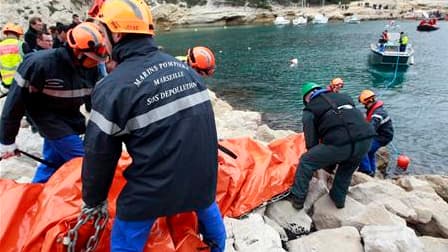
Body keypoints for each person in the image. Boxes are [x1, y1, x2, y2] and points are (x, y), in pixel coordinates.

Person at [80, 0, 226, 251]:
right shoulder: (187, 70)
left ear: (116, 33)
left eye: (103, 32)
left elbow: (99, 155)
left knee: (127, 228)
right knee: (207, 205)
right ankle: (217, 246)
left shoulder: (113, 88)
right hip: (204, 177)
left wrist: (94, 200)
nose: (102, 39)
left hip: (154, 189)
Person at [0, 22, 105, 183]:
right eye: (92, 59)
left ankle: (35, 196)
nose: (97, 63)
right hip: (46, 119)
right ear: (77, 52)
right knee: (84, 161)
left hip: (71, 118)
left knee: (52, 163)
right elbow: (15, 102)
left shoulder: (90, 70)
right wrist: (7, 140)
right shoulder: (39, 64)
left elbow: (95, 101)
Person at [288, 82, 375, 209]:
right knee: (346, 170)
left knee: (306, 161)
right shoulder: (345, 97)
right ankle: (338, 200)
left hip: (340, 143)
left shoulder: (310, 109)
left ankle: (297, 199)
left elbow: (311, 142)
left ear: (307, 98)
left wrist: (318, 158)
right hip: (365, 140)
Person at [358, 90, 394, 176]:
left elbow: (371, 128)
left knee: (362, 148)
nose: (364, 106)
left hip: (381, 137)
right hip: (382, 135)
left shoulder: (377, 114)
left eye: (365, 104)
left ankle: (366, 171)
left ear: (369, 102)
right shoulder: (377, 110)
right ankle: (372, 171)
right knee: (370, 152)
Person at [0, 23, 30, 96]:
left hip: (6, 83)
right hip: (21, 82)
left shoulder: (0, 46)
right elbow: (31, 61)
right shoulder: (21, 44)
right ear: (18, 34)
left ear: (6, 34)